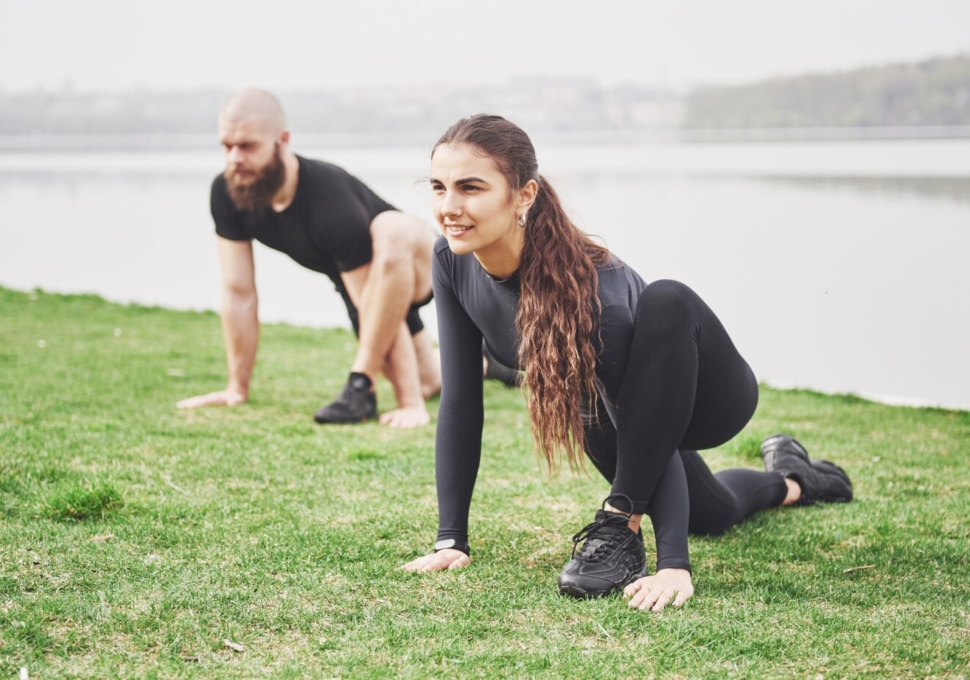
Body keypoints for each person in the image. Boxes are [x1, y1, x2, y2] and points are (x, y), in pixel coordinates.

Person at [403, 114, 853, 611]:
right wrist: (451, 539)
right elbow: (461, 402)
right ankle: (794, 479)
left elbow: (649, 426)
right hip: (613, 408)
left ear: (523, 195)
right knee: (712, 514)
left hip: (710, 397)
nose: (449, 207)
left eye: (470, 188)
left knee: (667, 298)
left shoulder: (595, 295)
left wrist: (673, 565)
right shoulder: (450, 260)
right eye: (439, 187)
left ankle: (643, 527)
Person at [176, 88, 440, 428]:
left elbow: (374, 304)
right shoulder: (229, 192)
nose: (234, 158)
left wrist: (409, 404)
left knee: (390, 230)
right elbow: (238, 293)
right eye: (226, 146)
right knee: (430, 380)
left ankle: (363, 386)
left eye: (247, 146)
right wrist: (236, 388)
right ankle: (489, 363)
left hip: (418, 264)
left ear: (283, 140)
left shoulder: (329, 201)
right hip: (358, 280)